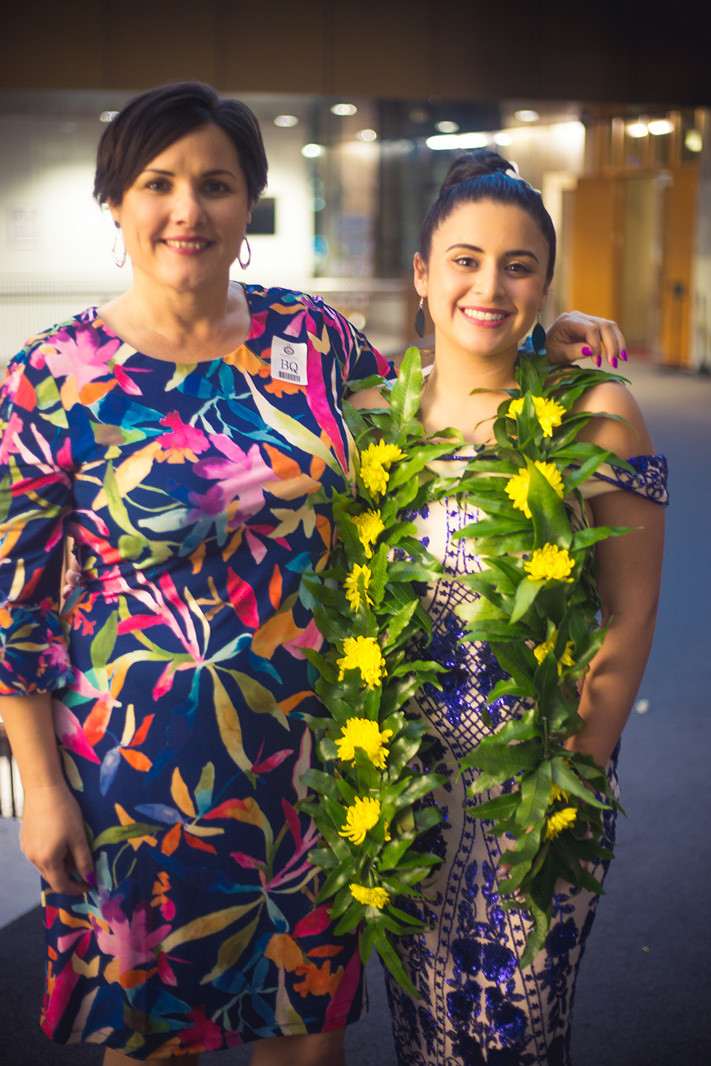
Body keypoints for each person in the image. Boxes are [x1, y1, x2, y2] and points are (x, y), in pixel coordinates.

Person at [0, 79, 633, 1064]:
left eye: (217, 184)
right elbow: (17, 612)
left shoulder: (317, 341)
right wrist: (38, 784)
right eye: (159, 182)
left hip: (317, 764)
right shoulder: (49, 377)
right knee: (152, 1042)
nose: (188, 208)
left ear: (247, 206)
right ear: (115, 200)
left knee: (306, 1039)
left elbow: (446, 400)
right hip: (131, 778)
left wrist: (549, 337)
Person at [363, 151, 667, 1066]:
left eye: (518, 264)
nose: (487, 285)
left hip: (533, 785)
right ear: (421, 275)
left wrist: (564, 784)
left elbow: (631, 612)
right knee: (422, 1034)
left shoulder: (595, 411)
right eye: (462, 259)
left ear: (545, 281)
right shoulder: (377, 411)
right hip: (403, 791)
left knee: (511, 1037)